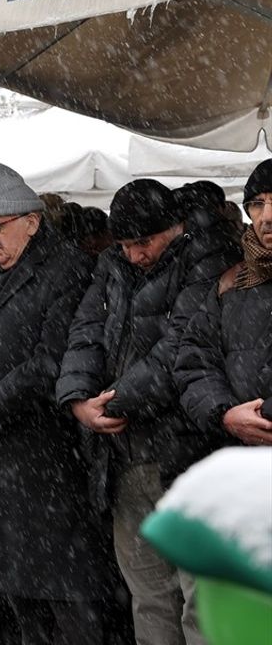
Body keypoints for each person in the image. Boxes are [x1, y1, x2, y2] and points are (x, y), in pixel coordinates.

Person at [57, 178, 238, 645]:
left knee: (200, 597)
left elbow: (180, 346)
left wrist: (112, 402)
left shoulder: (207, 260)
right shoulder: (111, 264)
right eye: (126, 244)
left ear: (174, 227)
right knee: (148, 592)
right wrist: (78, 398)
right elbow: (85, 331)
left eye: (145, 243)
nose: (135, 254)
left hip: (187, 453)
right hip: (124, 457)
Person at [0, 164, 104, 645]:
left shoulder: (67, 269)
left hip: (54, 447)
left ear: (32, 222)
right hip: (10, 447)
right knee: (23, 584)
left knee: (66, 585)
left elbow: (50, 359)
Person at [175, 160, 272, 450]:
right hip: (245, 465)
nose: (267, 216)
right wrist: (225, 413)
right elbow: (194, 361)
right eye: (256, 203)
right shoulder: (231, 283)